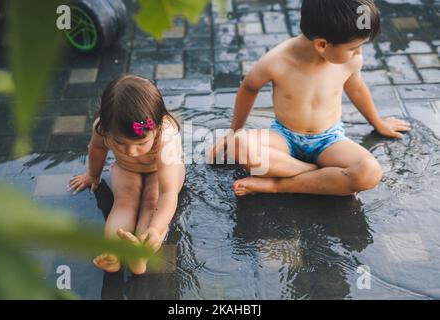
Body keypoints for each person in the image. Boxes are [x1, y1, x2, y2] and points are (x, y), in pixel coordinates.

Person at [212, 0, 411, 197]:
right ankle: (318, 174)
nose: (359, 52)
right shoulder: (277, 60)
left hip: (329, 140)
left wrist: (378, 123)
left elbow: (357, 89)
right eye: (353, 48)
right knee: (239, 144)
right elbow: (249, 87)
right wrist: (233, 131)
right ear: (322, 45)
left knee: (369, 173)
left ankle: (278, 185)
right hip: (284, 137)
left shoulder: (350, 61)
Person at [68, 75, 185, 274]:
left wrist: (156, 229)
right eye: (121, 143)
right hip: (126, 168)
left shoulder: (166, 138)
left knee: (152, 201)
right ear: (107, 128)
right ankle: (113, 252)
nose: (131, 151)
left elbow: (168, 193)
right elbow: (97, 148)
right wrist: (93, 175)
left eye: (140, 144)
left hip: (161, 172)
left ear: (155, 129)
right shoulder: (102, 127)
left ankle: (141, 252)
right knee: (124, 201)